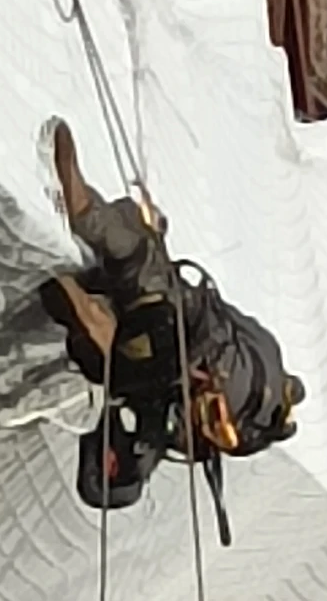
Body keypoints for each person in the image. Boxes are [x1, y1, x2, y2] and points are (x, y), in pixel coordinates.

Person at [39, 122, 303, 537]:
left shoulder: (256, 377)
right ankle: (94, 282)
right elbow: (149, 428)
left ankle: (93, 237)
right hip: (161, 349)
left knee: (141, 264)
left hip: (176, 327)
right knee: (129, 337)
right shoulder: (180, 434)